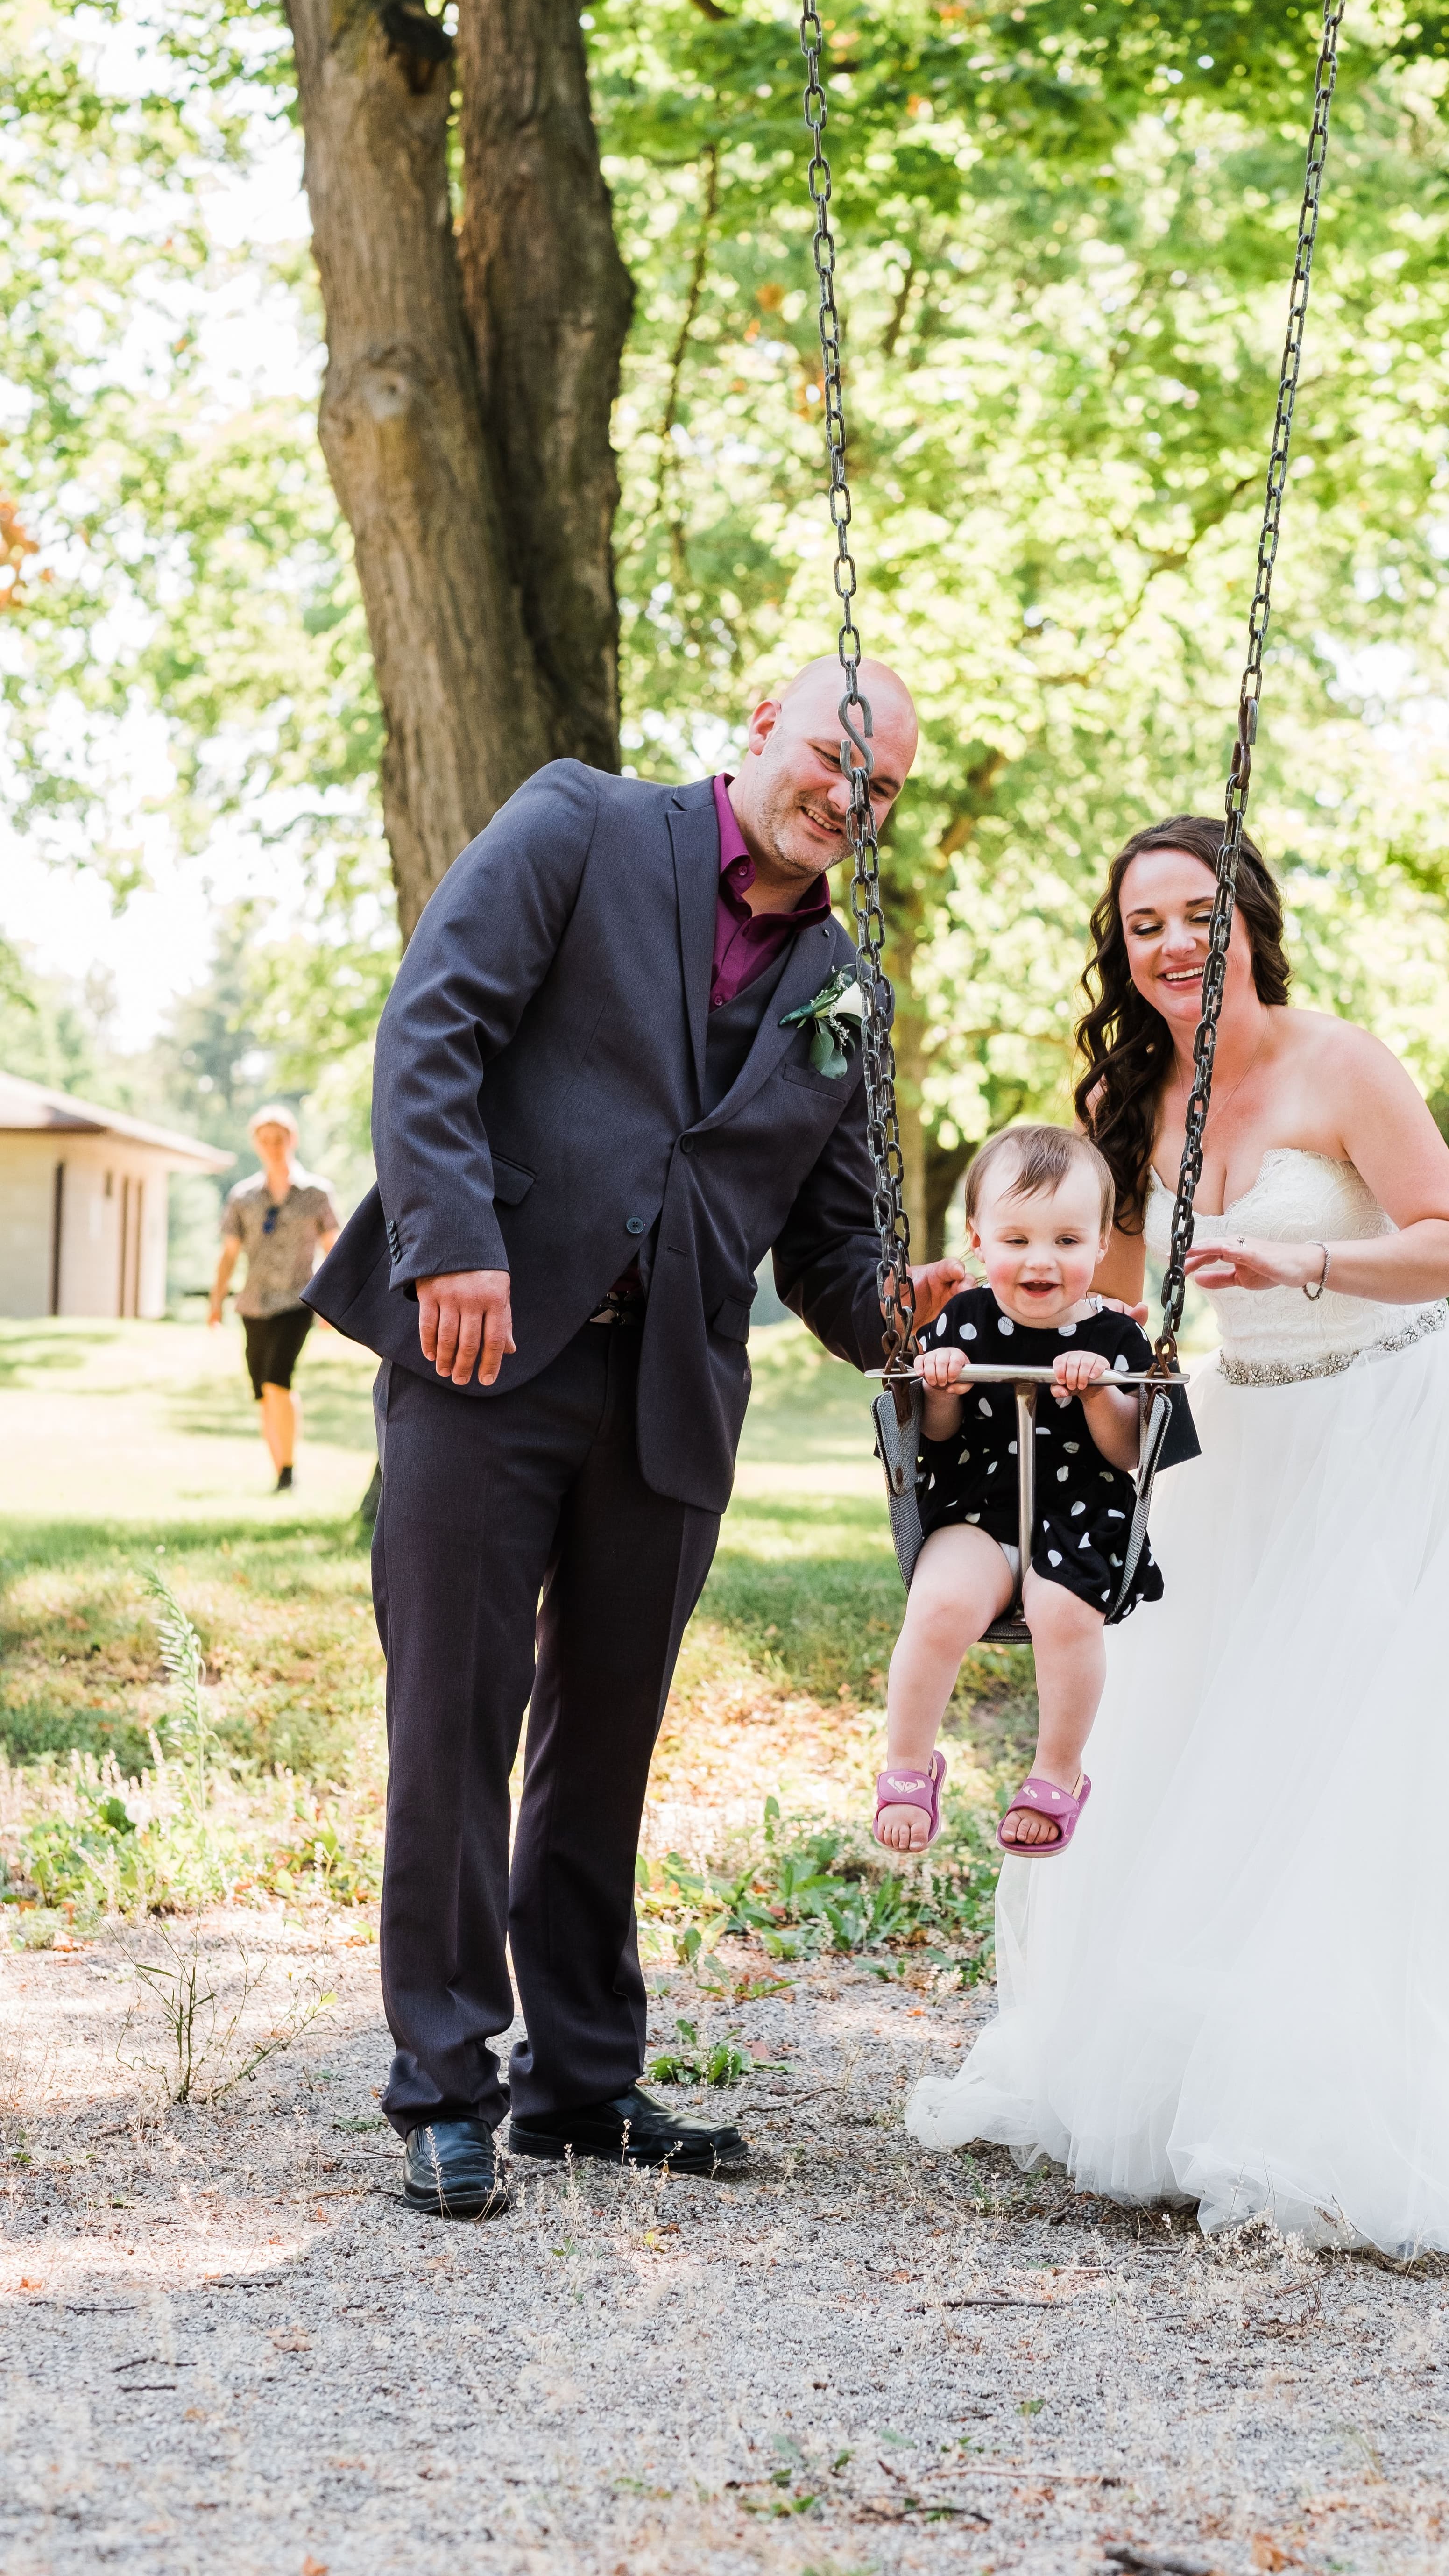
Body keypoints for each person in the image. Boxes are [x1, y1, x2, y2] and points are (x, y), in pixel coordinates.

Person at [908, 812, 1449, 2305]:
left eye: (1200, 913)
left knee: (1369, 1753)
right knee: (1205, 1746)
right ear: (1117, 953)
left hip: (1390, 1426)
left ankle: (1363, 2093)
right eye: (1144, 926)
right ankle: (1209, 2067)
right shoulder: (1143, 1098)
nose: (1176, 944)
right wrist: (987, 1286)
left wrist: (1303, 1260)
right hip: (1231, 1450)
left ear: (1246, 915)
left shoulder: (1341, 1062)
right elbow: (1115, 1291)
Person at [308, 659, 966, 2220]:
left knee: (605, 1742)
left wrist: (905, 1312)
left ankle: (582, 2087)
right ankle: (447, 2089)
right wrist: (448, 1237)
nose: (847, 799)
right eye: (831, 759)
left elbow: (830, 1252)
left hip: (670, 1391)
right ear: (762, 729)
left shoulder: (848, 993)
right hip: (488, 1348)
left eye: (878, 791)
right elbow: (435, 1028)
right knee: (454, 1729)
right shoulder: (578, 823)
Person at [874, 1123, 1159, 1862]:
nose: (1042, 1261)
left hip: (1083, 1515)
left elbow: (1131, 1452)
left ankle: (1057, 1771)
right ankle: (908, 1764)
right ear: (979, 1240)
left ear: (1102, 1246)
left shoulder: (1118, 1338)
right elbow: (935, 1435)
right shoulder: (962, 1320)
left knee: (1063, 1610)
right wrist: (944, 1384)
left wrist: (1101, 1392)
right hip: (977, 1505)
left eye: (1067, 1241)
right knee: (938, 1604)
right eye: (1017, 1239)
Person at [209, 1104, 339, 1493]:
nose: (273, 1147)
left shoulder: (317, 1194)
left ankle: (289, 1471)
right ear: (256, 1145)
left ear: (292, 1140)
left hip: (299, 1301)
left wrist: (334, 1304)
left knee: (279, 1379)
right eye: (265, 1141)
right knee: (264, 1390)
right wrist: (215, 1301)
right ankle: (278, 1467)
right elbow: (229, 1253)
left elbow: (335, 1248)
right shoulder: (243, 1196)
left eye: (280, 1139)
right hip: (253, 1304)